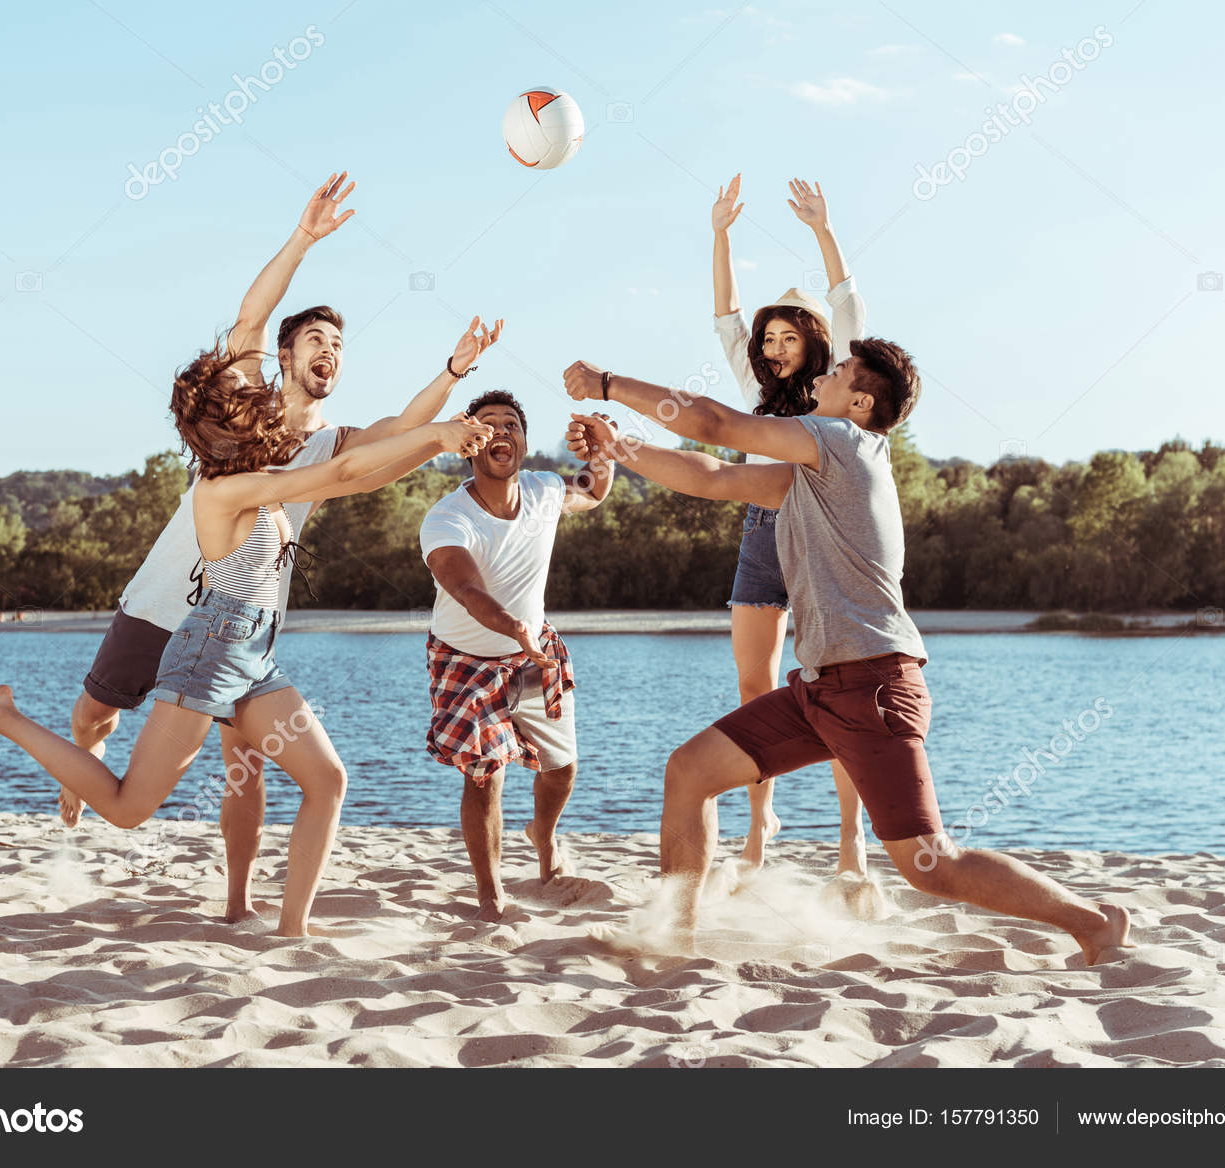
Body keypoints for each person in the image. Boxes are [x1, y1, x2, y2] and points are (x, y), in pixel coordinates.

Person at [562, 349, 1131, 964]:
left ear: (861, 404)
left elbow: (716, 424)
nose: (821, 377)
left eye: (836, 375)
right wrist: (619, 448)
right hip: (819, 690)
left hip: (874, 687)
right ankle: (669, 936)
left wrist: (608, 385)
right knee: (690, 772)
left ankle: (1093, 923)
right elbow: (713, 476)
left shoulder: (842, 444)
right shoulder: (813, 472)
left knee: (930, 866)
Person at [0, 346, 494, 937]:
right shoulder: (223, 489)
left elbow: (361, 473)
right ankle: (3, 713)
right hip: (211, 651)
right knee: (126, 809)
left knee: (327, 781)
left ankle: (292, 930)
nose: (267, 413)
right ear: (228, 429)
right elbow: (344, 471)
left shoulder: (265, 480)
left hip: (255, 654)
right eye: (251, 409)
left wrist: (437, 439)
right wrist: (437, 433)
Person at [61, 170, 504, 923]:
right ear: (287, 357)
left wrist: (456, 372)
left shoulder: (329, 442)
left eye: (340, 344)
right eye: (316, 341)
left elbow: (390, 439)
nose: (331, 352)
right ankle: (80, 764)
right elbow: (251, 316)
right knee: (93, 716)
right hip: (168, 602)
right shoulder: (246, 413)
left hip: (240, 617)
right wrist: (302, 240)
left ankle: (237, 906)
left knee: (246, 765)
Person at [710, 173, 870, 877]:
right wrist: (719, 235)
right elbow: (725, 319)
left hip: (826, 544)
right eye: (767, 337)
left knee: (835, 693)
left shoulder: (839, 392)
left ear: (811, 340)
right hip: (761, 539)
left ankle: (849, 838)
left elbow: (849, 302)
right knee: (755, 689)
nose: (772, 346)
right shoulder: (754, 396)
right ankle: (758, 823)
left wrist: (823, 231)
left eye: (785, 335)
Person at [420, 390, 614, 921]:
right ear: (468, 444)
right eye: (488, 425)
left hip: (534, 653)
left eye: (512, 424)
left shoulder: (546, 490)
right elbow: (468, 591)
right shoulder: (446, 519)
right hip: (467, 658)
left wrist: (603, 449)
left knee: (562, 767)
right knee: (485, 774)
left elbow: (592, 491)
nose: (501, 431)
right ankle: (491, 895)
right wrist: (514, 630)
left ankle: (542, 836)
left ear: (525, 443)